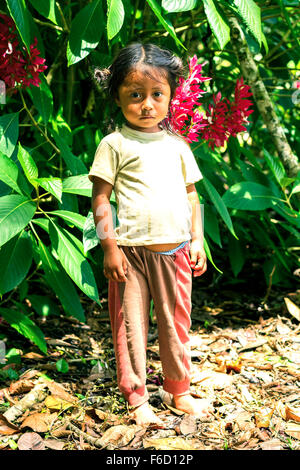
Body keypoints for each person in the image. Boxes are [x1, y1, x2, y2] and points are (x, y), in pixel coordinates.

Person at [88, 43, 213, 425]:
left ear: (171, 96)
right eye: (135, 95)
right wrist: (109, 247)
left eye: (156, 95)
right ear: (118, 97)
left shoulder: (177, 147)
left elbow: (193, 197)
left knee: (176, 323)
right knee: (130, 326)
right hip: (128, 255)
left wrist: (197, 239)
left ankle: (179, 390)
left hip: (174, 252)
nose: (147, 104)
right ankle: (136, 396)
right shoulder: (114, 145)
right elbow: (101, 200)